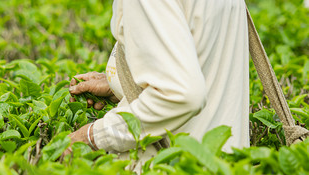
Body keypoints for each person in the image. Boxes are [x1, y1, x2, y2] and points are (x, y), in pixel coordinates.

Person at [66, 0, 250, 165]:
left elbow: (182, 95)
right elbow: (204, 53)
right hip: (227, 169)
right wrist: (120, 82)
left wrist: (93, 136)